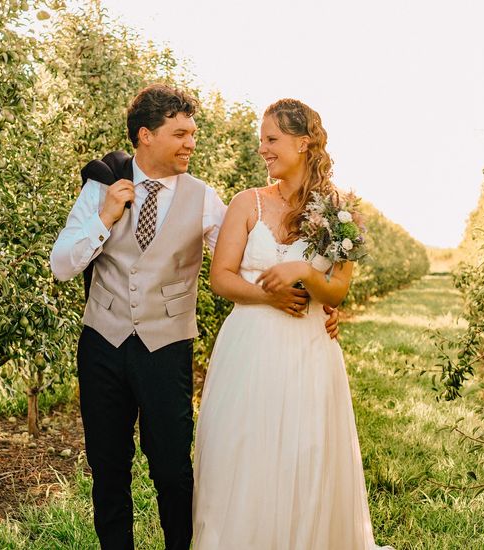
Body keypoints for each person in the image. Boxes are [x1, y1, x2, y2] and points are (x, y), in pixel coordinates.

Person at [50, 85, 339, 550]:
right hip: (102, 344)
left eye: (194, 134)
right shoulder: (102, 187)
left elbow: (249, 261)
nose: (191, 144)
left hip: (167, 348)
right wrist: (104, 217)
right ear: (146, 136)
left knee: (171, 469)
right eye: (181, 134)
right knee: (107, 467)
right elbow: (62, 265)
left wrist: (320, 303)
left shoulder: (205, 199)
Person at [192, 98, 394, 550]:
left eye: (271, 139)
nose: (262, 149)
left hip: (309, 349)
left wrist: (304, 273)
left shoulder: (341, 213)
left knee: (306, 454)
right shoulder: (248, 204)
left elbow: (337, 291)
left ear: (304, 143)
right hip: (249, 348)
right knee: (241, 455)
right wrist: (269, 293)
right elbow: (220, 278)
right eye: (259, 140)